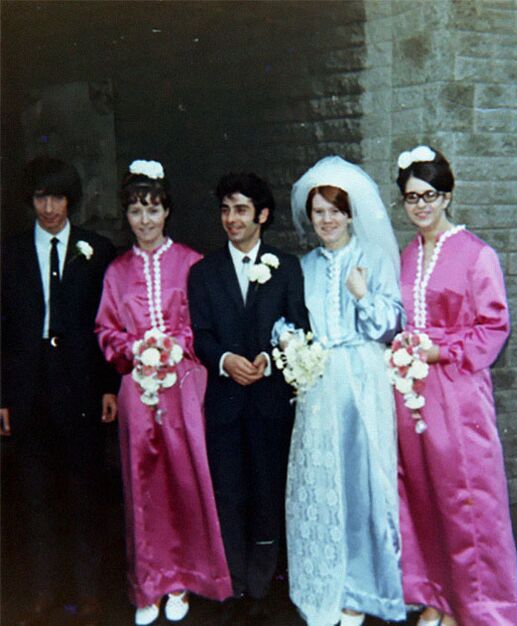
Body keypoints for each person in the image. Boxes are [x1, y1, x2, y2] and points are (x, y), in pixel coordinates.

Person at [95, 160, 231, 625]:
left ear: (167, 211)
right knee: (144, 484)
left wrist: (175, 345)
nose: (145, 220)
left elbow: (203, 322)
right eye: (136, 211)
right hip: (138, 387)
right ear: (127, 215)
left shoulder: (191, 262)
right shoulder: (116, 271)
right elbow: (106, 329)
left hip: (184, 384)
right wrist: (134, 349)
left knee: (185, 478)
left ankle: (183, 580)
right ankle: (150, 582)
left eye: (153, 210)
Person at [393, 145, 517, 626]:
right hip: (413, 394)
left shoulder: (476, 254)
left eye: (429, 195)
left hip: (459, 391)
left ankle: (478, 605)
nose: (421, 205)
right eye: (412, 197)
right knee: (424, 493)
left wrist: (441, 351)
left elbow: (494, 327)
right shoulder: (408, 254)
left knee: (467, 497)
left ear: (446, 197)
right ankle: (436, 594)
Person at [283, 156, 406, 626]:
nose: (327, 220)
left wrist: (362, 295)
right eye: (318, 212)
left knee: (361, 483)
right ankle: (328, 583)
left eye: (335, 211)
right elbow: (293, 318)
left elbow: (391, 325)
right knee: (323, 482)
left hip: (361, 381)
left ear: (351, 214)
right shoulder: (305, 266)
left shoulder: (373, 258)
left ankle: (359, 590)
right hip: (319, 385)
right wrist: (288, 340)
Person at [0, 156, 119, 626]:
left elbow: (109, 323)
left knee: (85, 490)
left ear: (72, 200)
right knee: (36, 494)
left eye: (57, 198)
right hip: (29, 388)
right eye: (40, 198)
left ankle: (89, 592)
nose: (49, 208)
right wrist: (3, 397)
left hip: (81, 386)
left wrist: (108, 386)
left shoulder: (97, 250)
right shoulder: (9, 253)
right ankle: (43, 592)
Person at [187, 172, 309, 624]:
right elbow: (200, 334)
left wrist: (268, 358)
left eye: (241, 209)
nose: (231, 219)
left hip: (268, 400)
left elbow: (298, 327)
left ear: (262, 214)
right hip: (225, 401)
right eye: (225, 209)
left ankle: (263, 579)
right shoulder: (203, 272)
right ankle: (233, 578)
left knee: (267, 488)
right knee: (230, 490)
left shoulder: (286, 267)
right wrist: (224, 361)